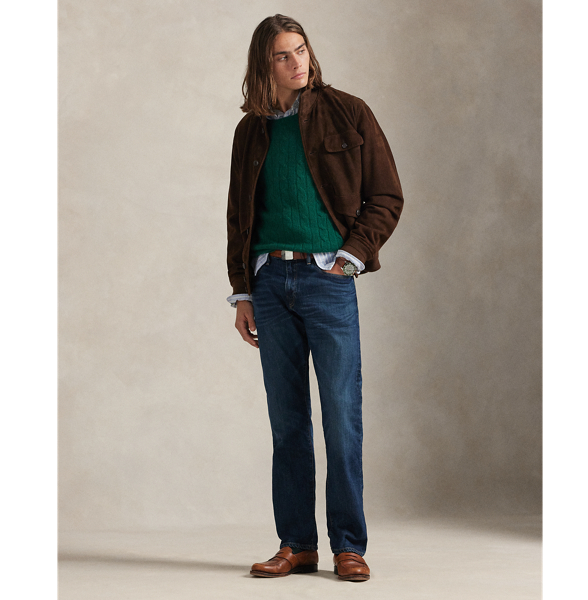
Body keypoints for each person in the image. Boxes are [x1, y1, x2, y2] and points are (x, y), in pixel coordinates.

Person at [226, 14, 404, 582]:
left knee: (342, 417)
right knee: (287, 422)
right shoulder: (250, 131)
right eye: (282, 55)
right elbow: (238, 217)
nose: (296, 62)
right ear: (264, 65)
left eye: (300, 50)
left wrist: (350, 257)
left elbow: (387, 195)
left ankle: (349, 545)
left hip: (328, 282)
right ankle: (297, 544)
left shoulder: (349, 112)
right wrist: (243, 291)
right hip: (270, 285)